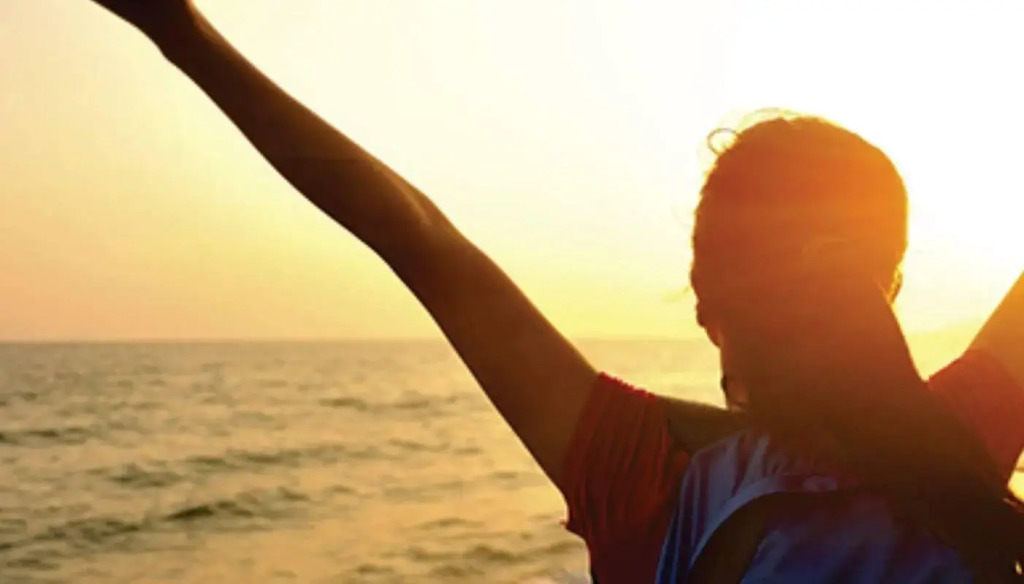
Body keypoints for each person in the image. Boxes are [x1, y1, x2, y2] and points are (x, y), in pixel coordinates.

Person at [83, 1, 1024, 582]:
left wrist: (184, 36)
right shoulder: (965, 437)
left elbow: (417, 240)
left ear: (706, 302)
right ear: (891, 280)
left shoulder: (642, 472)